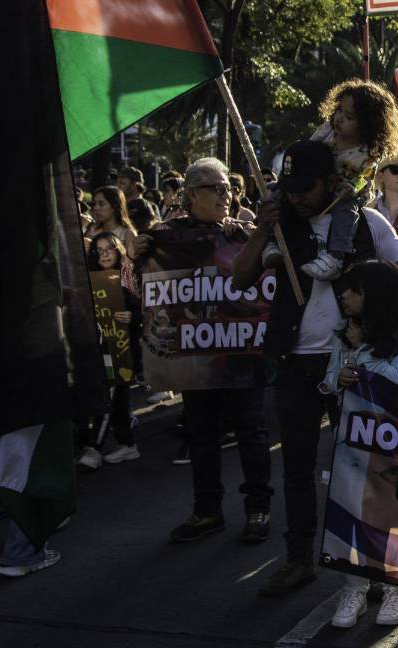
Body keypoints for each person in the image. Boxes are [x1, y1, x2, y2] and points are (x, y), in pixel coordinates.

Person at [230, 139, 398, 597]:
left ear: (331, 181)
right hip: (295, 362)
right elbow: (239, 278)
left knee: (364, 467)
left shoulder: (363, 222)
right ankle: (300, 559)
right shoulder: (280, 227)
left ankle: (374, 562)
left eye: (307, 187)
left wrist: (377, 286)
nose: (297, 196)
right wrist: (261, 231)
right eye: (290, 188)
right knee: (296, 467)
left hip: (357, 364)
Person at [130, 157, 274, 545]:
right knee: (203, 435)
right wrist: (135, 255)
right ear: (192, 194)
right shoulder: (165, 237)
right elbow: (136, 291)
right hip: (196, 360)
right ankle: (207, 510)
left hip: (242, 355)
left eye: (229, 188)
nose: (227, 195)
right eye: (217, 188)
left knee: (251, 432)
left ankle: (258, 507)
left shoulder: (243, 235)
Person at [322, 261, 398, 629]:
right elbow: (329, 381)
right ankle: (356, 587)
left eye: (354, 290)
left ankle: (396, 586)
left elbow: (396, 379)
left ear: (375, 296)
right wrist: (341, 370)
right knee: (351, 510)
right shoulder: (343, 334)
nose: (343, 296)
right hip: (350, 438)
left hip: (393, 441)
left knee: (391, 513)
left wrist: (360, 357)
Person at [264, 79, 398, 281]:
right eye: (339, 111)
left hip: (346, 193)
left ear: (366, 125)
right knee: (280, 191)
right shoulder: (327, 130)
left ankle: (335, 257)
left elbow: (363, 181)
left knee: (346, 211)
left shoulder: (368, 152)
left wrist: (351, 190)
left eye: (348, 117)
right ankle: (273, 241)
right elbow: (307, 153)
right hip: (314, 184)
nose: (339, 119)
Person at [77, 232, 142, 470]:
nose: (104, 254)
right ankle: (127, 444)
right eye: (99, 249)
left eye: (109, 248)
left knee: (112, 394)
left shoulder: (129, 277)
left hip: (123, 348)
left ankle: (94, 448)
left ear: (118, 250)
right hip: (100, 349)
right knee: (119, 399)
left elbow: (149, 309)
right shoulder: (90, 280)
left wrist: (133, 316)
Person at [116, 166, 160, 232]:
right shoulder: (118, 206)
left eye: (122, 183)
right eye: (117, 183)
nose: (117, 186)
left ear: (135, 185)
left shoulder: (148, 207)